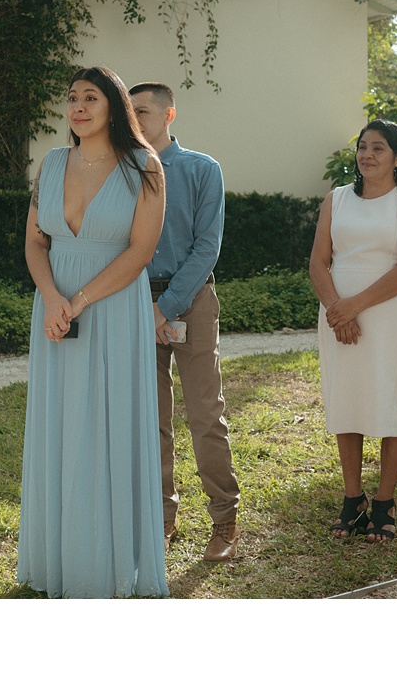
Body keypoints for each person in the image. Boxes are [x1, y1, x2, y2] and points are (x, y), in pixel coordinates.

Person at [18, 65, 169, 598]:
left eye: (91, 98)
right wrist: (55, 300)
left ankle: (107, 562)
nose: (78, 107)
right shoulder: (52, 164)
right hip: (54, 314)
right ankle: (57, 558)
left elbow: (141, 253)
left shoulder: (144, 167)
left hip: (111, 310)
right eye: (72, 98)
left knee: (109, 424)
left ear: (114, 107)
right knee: (59, 426)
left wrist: (79, 299)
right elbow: (36, 243)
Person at [129, 81, 241, 562]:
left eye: (144, 112)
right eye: (130, 113)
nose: (136, 121)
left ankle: (224, 521)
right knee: (150, 421)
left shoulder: (201, 169)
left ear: (169, 115)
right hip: (132, 305)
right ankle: (162, 519)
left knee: (204, 415)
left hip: (190, 301)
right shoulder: (123, 169)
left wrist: (166, 306)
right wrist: (141, 307)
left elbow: (206, 247)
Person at [310, 120, 397, 541]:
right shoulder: (337, 199)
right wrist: (335, 310)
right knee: (347, 401)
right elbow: (317, 262)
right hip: (338, 314)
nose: (368, 155)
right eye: (363, 147)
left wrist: (353, 308)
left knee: (391, 402)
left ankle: (384, 501)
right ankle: (352, 499)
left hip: (387, 315)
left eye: (379, 148)